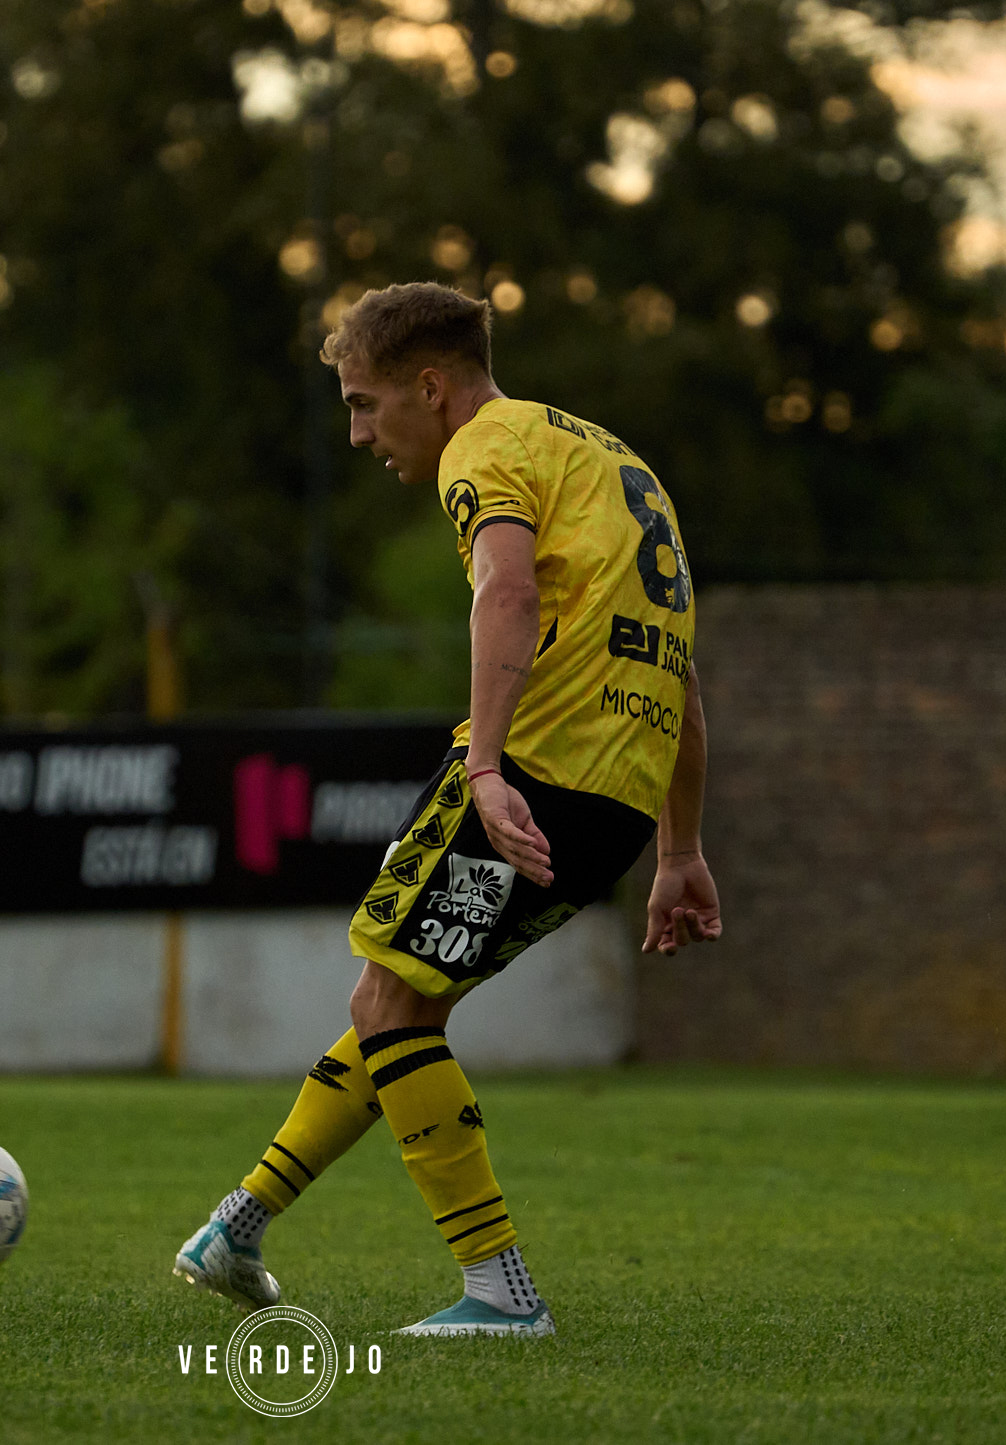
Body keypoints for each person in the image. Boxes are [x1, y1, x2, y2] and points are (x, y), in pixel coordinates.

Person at [173, 281, 721, 1337]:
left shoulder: (485, 451)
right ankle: (237, 1225)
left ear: (431, 386)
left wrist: (482, 772)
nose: (357, 431)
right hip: (611, 793)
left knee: (391, 1005)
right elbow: (679, 679)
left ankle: (499, 1292)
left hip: (532, 770)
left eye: (366, 402)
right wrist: (679, 845)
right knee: (393, 1001)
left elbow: (504, 592)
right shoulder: (612, 461)